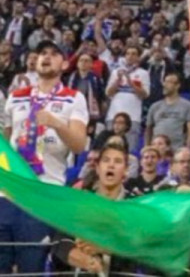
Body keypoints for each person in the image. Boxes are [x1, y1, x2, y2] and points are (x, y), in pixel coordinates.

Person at [0, 40, 88, 274]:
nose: (46, 57)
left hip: (44, 193)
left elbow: (79, 145)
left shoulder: (74, 98)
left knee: (32, 267)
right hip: (9, 193)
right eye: (42, 53)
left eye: (54, 53)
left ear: (65, 64)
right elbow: (6, 145)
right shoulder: (16, 96)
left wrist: (56, 123)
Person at [51, 142, 138, 275]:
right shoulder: (81, 202)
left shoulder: (134, 207)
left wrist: (105, 248)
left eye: (118, 161)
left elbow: (140, 247)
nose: (111, 165)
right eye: (106, 160)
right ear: (97, 168)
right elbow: (60, 242)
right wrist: (83, 260)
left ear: (126, 170)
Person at [105, 45, 149, 151]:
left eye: (134, 54)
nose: (130, 56)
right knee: (111, 147)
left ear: (138, 57)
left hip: (133, 117)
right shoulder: (116, 72)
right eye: (128, 54)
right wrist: (118, 80)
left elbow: (145, 95)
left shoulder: (143, 73)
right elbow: (108, 93)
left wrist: (130, 82)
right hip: (114, 115)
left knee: (130, 149)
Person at [145, 72, 190, 151]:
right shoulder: (155, 106)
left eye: (169, 82)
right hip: (156, 150)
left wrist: (187, 149)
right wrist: (147, 147)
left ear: (177, 85)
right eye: (164, 82)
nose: (165, 85)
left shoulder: (187, 106)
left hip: (176, 148)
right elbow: (148, 129)